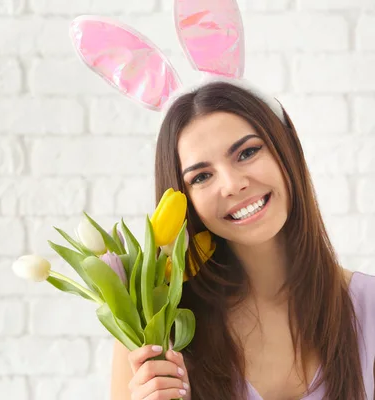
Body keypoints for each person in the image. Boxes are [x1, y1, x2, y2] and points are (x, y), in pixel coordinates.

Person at [109, 81, 375, 399]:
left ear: (286, 148)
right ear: (184, 200)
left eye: (247, 152)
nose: (233, 184)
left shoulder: (368, 307)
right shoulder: (156, 327)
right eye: (202, 176)